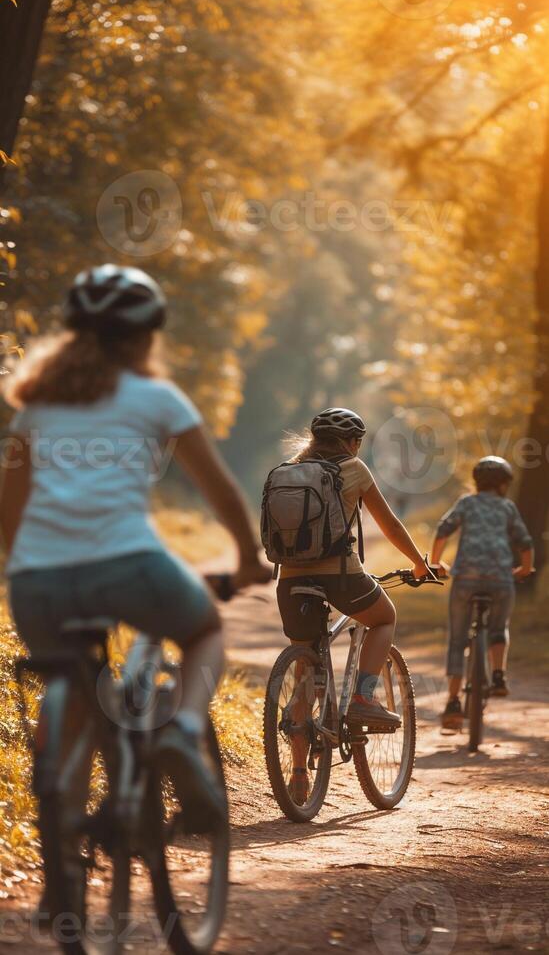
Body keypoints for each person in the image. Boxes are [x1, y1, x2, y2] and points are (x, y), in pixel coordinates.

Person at [0, 264, 271, 825]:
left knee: (72, 700)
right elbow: (219, 488)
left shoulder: (36, 409)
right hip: (129, 565)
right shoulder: (157, 398)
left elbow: (10, 511)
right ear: (147, 335)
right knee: (203, 631)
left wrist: (31, 561)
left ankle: (63, 871)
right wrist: (247, 556)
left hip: (36, 583)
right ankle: (184, 731)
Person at [275, 408, 431, 745]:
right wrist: (420, 563)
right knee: (384, 617)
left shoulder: (288, 470)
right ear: (352, 443)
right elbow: (389, 524)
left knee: (305, 672)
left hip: (288, 582)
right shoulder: (353, 469)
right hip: (340, 576)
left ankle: (299, 777)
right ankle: (362, 698)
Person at [431, 456, 534, 730]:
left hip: (465, 578)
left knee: (457, 639)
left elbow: (443, 530)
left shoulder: (467, 503)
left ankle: (453, 704)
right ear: (504, 485)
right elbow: (525, 542)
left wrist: (435, 563)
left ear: (477, 482)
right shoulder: (507, 507)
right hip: (500, 579)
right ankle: (498, 675)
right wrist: (524, 569)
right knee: (499, 629)